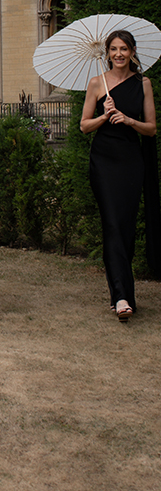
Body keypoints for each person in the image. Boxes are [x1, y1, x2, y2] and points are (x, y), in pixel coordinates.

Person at [81, 28, 160, 321]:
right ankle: (121, 296)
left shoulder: (143, 84)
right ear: (107, 53)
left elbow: (151, 128)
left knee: (125, 226)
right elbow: (84, 126)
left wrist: (128, 120)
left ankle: (124, 293)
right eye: (113, 49)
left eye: (124, 49)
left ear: (133, 52)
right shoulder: (96, 84)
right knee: (113, 224)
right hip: (103, 162)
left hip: (131, 161)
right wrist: (104, 116)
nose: (118, 54)